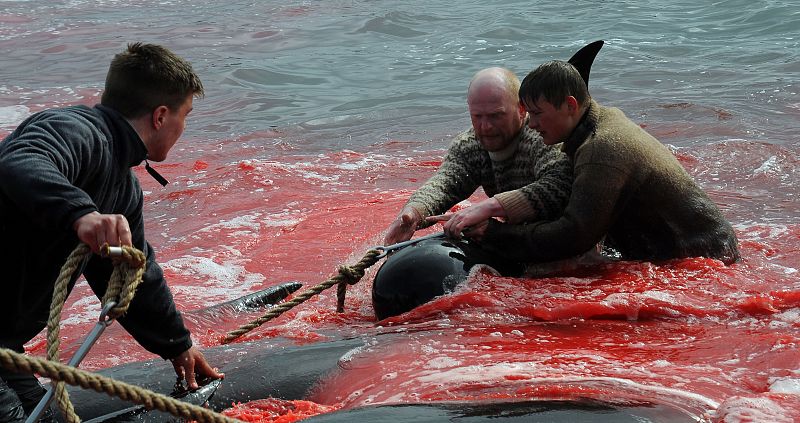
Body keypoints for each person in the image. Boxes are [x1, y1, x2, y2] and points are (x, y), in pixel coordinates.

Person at [0, 43, 224, 421]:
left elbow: (133, 278)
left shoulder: (122, 188)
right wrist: (81, 214)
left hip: (6, 344)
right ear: (161, 116)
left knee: (48, 416)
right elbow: (20, 160)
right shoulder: (74, 130)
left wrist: (178, 346)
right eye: (186, 116)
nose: (182, 129)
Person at [456, 41, 740, 265]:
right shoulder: (597, 124)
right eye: (528, 113)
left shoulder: (601, 148)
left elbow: (573, 235)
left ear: (570, 105)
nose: (531, 124)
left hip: (702, 258)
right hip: (682, 250)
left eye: (538, 113)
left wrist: (493, 233)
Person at [383, 67, 572, 246]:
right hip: (522, 231)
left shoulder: (544, 136)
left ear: (521, 109)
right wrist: (414, 212)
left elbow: (558, 187)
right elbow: (444, 184)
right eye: (477, 116)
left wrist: (488, 208)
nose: (485, 126)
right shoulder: (470, 145)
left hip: (564, 231)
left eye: (496, 116)